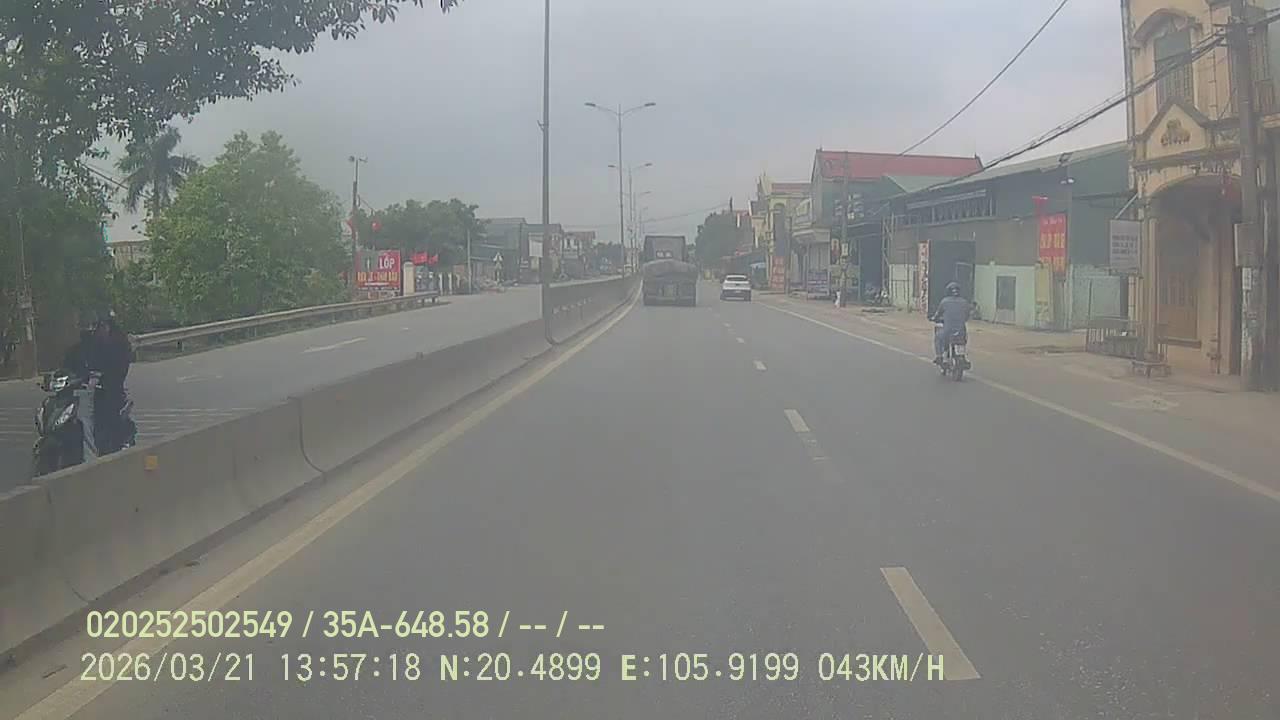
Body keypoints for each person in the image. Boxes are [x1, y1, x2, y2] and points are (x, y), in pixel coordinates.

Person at [931, 282, 971, 365]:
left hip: (947, 332)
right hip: (961, 332)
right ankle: (962, 356)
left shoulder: (944, 301)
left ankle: (939, 356)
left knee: (938, 337)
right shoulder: (964, 302)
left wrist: (934, 318)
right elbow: (967, 316)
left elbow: (938, 314)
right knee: (962, 341)